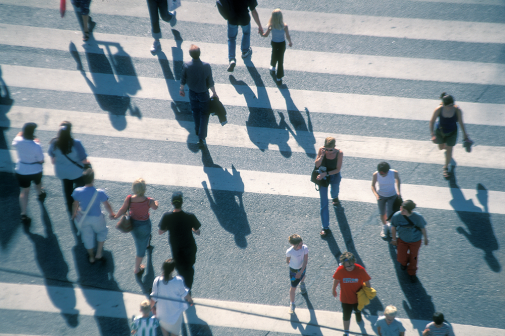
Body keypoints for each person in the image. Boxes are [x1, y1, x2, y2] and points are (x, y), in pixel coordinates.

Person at [114, 178, 159, 275]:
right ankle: (137, 268)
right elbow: (155, 208)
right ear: (144, 189)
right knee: (140, 248)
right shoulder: (149, 200)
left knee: (139, 240)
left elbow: (123, 209)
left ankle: (146, 244)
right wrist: (156, 203)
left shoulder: (129, 198)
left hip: (133, 224)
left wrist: (116, 216)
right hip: (144, 225)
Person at [158, 191, 201, 289]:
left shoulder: (167, 216)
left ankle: (181, 288)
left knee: (179, 268)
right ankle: (188, 289)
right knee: (189, 268)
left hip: (176, 249)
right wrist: (191, 228)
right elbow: (197, 232)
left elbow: (160, 232)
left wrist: (168, 227)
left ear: (172, 203)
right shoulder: (190, 216)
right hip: (190, 247)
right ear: (182, 203)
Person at [72, 168, 115, 264]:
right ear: (93, 179)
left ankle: (91, 257)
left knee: (87, 236)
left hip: (83, 218)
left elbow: (75, 204)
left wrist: (74, 213)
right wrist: (111, 213)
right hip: (97, 218)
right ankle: (99, 254)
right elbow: (106, 205)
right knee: (102, 231)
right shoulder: (100, 192)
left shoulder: (77, 191)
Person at [179, 44, 218, 148]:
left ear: (190, 54)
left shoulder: (186, 65)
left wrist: (181, 89)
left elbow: (183, 78)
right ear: (199, 53)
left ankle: (197, 129)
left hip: (192, 93)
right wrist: (214, 92)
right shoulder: (206, 66)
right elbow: (210, 81)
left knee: (195, 112)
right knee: (204, 114)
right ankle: (202, 137)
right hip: (204, 94)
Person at [48, 121, 90, 213]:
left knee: (67, 189)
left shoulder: (54, 143)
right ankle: (79, 204)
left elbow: (53, 161)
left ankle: (70, 208)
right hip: (76, 172)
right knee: (80, 186)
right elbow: (83, 160)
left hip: (62, 172)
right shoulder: (76, 143)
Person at [429, 92, 470, 179]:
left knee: (449, 149)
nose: (451, 106)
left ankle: (445, 167)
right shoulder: (438, 109)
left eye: (452, 104)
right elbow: (432, 122)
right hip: (440, 132)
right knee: (441, 147)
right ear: (443, 104)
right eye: (449, 105)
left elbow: (461, 123)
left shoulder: (457, 110)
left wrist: (465, 135)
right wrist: (432, 134)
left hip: (452, 132)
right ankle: (445, 148)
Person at [12, 122, 46, 225]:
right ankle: (40, 194)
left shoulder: (17, 141)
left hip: (22, 170)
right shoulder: (36, 145)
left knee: (24, 191)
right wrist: (37, 142)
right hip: (35, 170)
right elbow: (41, 160)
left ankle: (23, 213)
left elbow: (17, 137)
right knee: (38, 183)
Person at [332, 252, 371, 336]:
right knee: (346, 315)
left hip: (358, 298)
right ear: (343, 265)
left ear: (354, 262)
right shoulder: (340, 270)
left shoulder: (360, 269)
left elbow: (367, 281)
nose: (350, 268)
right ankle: (346, 332)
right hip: (345, 298)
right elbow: (336, 279)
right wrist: (333, 289)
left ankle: (358, 317)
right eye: (347, 266)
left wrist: (368, 292)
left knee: (358, 311)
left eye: (352, 265)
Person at [150, 259, 193, 336]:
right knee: (175, 333)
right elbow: (184, 294)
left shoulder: (157, 281)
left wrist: (150, 308)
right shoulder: (178, 281)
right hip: (175, 315)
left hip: (162, 314)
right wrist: (190, 300)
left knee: (165, 333)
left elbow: (154, 298)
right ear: (173, 270)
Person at [390, 200, 428, 283]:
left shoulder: (418, 217)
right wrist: (393, 239)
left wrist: (425, 238)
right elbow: (393, 227)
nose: (401, 211)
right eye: (401, 208)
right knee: (400, 257)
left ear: (410, 211)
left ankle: (412, 273)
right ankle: (404, 262)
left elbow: (422, 228)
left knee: (414, 257)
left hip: (415, 241)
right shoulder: (397, 216)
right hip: (402, 240)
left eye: (404, 210)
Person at [315, 136, 344, 237]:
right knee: (324, 203)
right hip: (323, 177)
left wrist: (326, 173)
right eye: (327, 149)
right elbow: (317, 164)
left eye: (331, 149)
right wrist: (322, 155)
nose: (329, 151)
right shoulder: (321, 150)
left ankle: (335, 197)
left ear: (334, 147)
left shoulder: (339, 153)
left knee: (334, 191)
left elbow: (337, 169)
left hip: (333, 175)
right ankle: (325, 227)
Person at [226, 0, 264, 72]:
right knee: (246, 33)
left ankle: (232, 59)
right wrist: (259, 25)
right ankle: (245, 51)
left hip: (232, 17)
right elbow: (253, 11)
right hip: (244, 18)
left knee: (231, 38)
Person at [371, 162, 401, 238]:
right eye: (381, 174)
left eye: (384, 173)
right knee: (382, 213)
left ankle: (392, 228)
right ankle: (384, 226)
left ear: (387, 170)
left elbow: (398, 180)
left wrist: (398, 191)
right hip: (381, 196)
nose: (382, 175)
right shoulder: (376, 174)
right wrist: (376, 195)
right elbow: (372, 186)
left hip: (392, 196)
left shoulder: (394, 173)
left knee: (390, 214)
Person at [262, 8, 292, 82]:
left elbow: (265, 35)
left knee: (274, 53)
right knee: (280, 59)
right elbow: (287, 36)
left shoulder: (271, 26)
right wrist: (290, 42)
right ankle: (279, 77)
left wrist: (260, 33)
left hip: (274, 43)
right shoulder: (284, 26)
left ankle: (273, 66)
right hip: (282, 44)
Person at [286, 234, 308, 314]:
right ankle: (292, 303)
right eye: (299, 245)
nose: (302, 246)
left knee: (303, 276)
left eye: (302, 243)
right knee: (293, 287)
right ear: (293, 245)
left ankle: (302, 283)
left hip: (302, 268)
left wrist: (301, 271)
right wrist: (294, 268)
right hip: (294, 271)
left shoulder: (305, 248)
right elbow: (287, 260)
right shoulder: (289, 251)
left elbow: (305, 260)